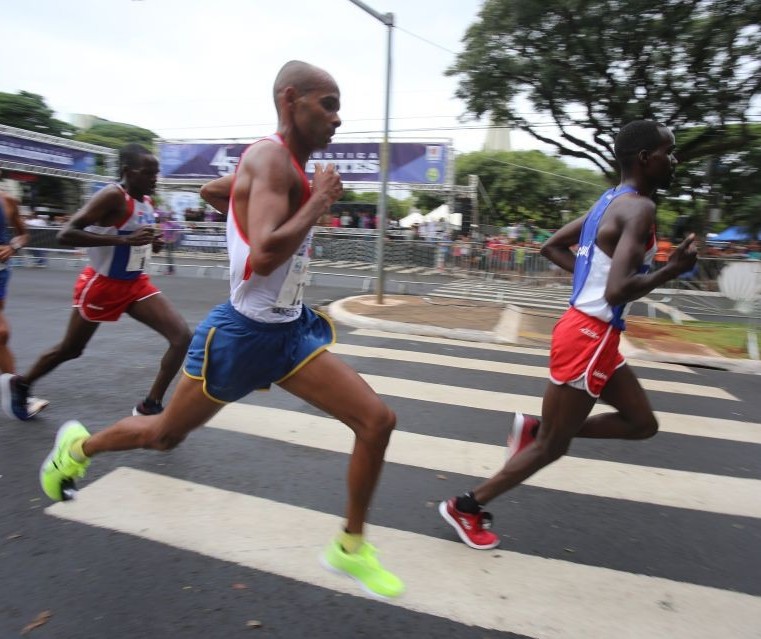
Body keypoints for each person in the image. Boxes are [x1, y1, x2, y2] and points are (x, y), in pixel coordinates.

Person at [38, 61, 404, 599]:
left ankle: (349, 548)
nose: (338, 118)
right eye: (328, 104)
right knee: (162, 436)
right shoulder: (270, 157)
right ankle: (76, 449)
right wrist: (320, 202)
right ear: (290, 99)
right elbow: (262, 255)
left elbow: (219, 190)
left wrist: (243, 206)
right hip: (243, 335)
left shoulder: (285, 168)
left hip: (289, 334)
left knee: (377, 421)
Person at [439, 120, 698, 550]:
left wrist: (590, 286)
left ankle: (543, 427)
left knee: (641, 423)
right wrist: (672, 269)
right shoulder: (639, 209)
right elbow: (616, 290)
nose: (674, 161)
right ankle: (466, 505)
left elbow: (552, 249)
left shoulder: (608, 201)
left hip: (591, 332)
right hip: (589, 337)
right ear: (645, 158)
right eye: (669, 153)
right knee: (551, 449)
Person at [1, 144, 192, 421]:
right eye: (148, 173)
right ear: (128, 171)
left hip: (135, 284)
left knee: (182, 337)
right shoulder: (113, 196)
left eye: (156, 173)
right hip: (103, 285)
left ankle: (151, 405)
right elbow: (66, 234)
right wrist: (124, 240)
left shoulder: (148, 202)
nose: (154, 179)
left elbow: (139, 241)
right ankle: (22, 384)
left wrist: (154, 242)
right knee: (71, 349)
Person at [0, 177, 49, 418]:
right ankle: (17, 398)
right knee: (1, 332)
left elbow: (23, 235)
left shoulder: (7, 202)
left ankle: (15, 394)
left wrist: (13, 247)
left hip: (1, 274)